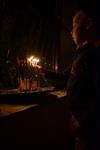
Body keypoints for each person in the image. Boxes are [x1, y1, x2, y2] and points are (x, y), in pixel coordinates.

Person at [66, 9, 100, 150]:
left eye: (74, 25)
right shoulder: (82, 55)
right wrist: (42, 71)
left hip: (89, 130)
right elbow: (65, 76)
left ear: (88, 24)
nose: (71, 31)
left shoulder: (93, 56)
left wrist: (83, 120)